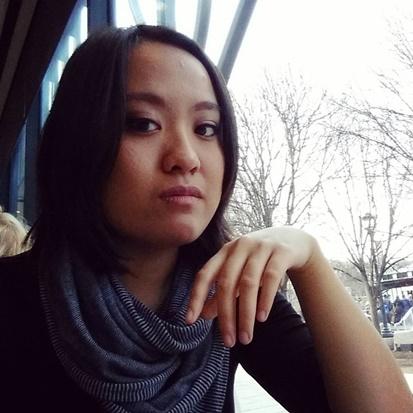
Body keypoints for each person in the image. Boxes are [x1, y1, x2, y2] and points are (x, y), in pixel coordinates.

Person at [0, 25, 411, 413]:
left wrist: (309, 258)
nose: (186, 157)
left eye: (207, 128)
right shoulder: (13, 299)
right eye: (143, 124)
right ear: (77, 142)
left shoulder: (231, 295)